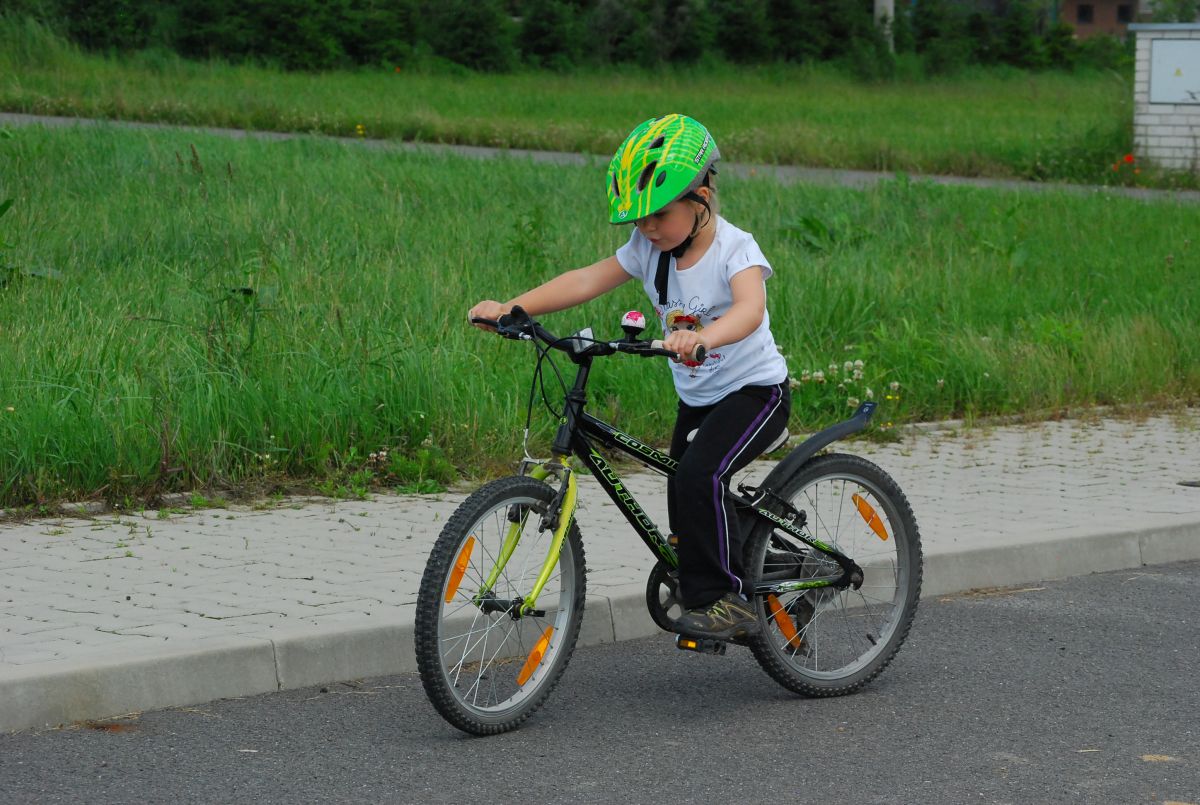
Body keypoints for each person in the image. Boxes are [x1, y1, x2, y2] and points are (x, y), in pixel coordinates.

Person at [468, 114, 791, 642]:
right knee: (683, 491)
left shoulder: (736, 249)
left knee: (697, 477)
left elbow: (750, 309)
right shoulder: (649, 250)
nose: (648, 229)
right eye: (639, 221)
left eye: (659, 215)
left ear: (702, 196)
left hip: (755, 393)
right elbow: (586, 280)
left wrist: (704, 338)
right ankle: (718, 565)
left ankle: (725, 601)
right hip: (699, 396)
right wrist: (512, 307)